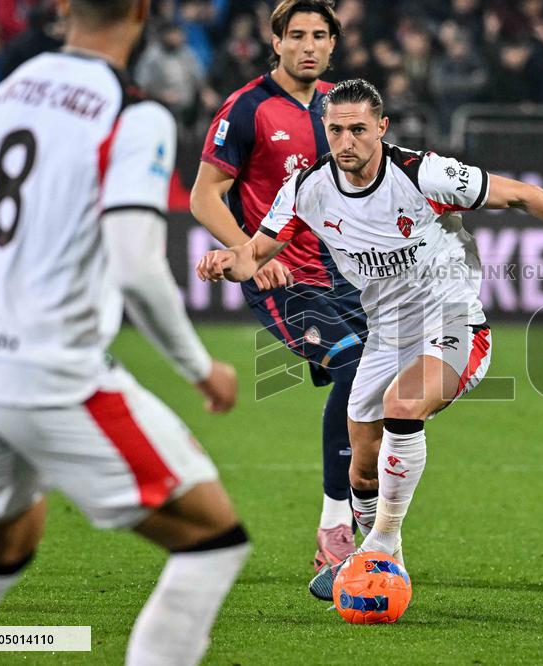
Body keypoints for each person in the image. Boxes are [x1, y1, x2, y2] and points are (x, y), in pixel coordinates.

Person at [195, 78, 543, 600]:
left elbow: (526, 196)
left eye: (358, 130)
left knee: (404, 403)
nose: (346, 142)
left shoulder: (423, 173)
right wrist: (226, 261)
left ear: (382, 128)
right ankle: (371, 550)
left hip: (455, 324)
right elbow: (254, 254)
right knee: (363, 469)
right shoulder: (307, 188)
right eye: (335, 131)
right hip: (386, 336)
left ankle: (383, 550)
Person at [0, 1, 249, 663]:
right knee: (214, 542)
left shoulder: (1, 97)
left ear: (66, 7)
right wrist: (199, 367)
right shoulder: (133, 114)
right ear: (141, 11)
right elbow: (135, 263)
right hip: (52, 373)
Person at [191, 0, 365, 573]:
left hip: (348, 279)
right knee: (353, 363)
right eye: (297, 36)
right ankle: (336, 523)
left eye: (320, 35)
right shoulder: (247, 110)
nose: (308, 46)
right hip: (282, 279)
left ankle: (368, 517)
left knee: (384, 387)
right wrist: (247, 252)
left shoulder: (342, 109)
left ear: (334, 43)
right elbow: (204, 196)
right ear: (277, 41)